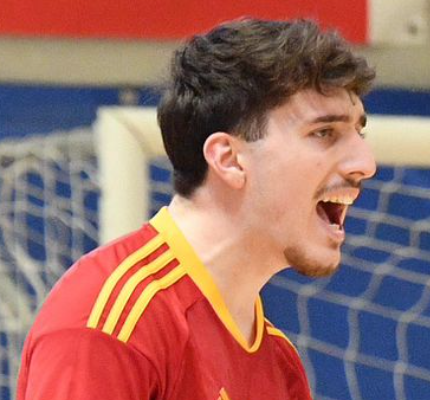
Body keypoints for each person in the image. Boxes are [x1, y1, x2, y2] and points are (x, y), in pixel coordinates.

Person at [17, 18, 376, 400]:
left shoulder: (280, 364)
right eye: (324, 133)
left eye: (359, 133)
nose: (365, 164)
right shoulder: (111, 322)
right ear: (229, 159)